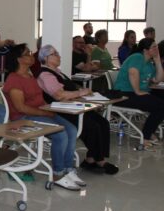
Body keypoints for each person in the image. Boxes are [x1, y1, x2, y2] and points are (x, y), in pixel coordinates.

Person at [3, 44, 84, 191]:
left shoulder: (30, 76)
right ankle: (58, 174)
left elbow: (40, 100)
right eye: (28, 53)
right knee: (60, 134)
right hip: (23, 118)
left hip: (41, 112)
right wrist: (46, 113)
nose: (32, 55)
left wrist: (52, 108)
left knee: (71, 130)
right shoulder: (14, 79)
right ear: (19, 59)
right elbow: (21, 108)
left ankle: (68, 169)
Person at [36, 45, 118, 174]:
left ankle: (91, 159)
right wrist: (80, 93)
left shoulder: (58, 72)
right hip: (61, 111)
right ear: (45, 58)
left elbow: (70, 89)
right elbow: (59, 95)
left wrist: (83, 92)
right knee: (92, 126)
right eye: (55, 54)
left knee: (102, 122)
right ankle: (99, 160)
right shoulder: (45, 75)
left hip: (72, 106)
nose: (59, 56)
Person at [113, 38, 164, 149]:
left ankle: (149, 131)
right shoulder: (137, 57)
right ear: (145, 50)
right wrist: (138, 91)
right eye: (154, 47)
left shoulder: (149, 64)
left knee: (160, 102)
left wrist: (158, 61)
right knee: (160, 105)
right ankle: (146, 136)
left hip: (137, 93)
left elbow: (158, 79)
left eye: (157, 46)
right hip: (124, 94)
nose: (157, 49)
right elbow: (133, 73)